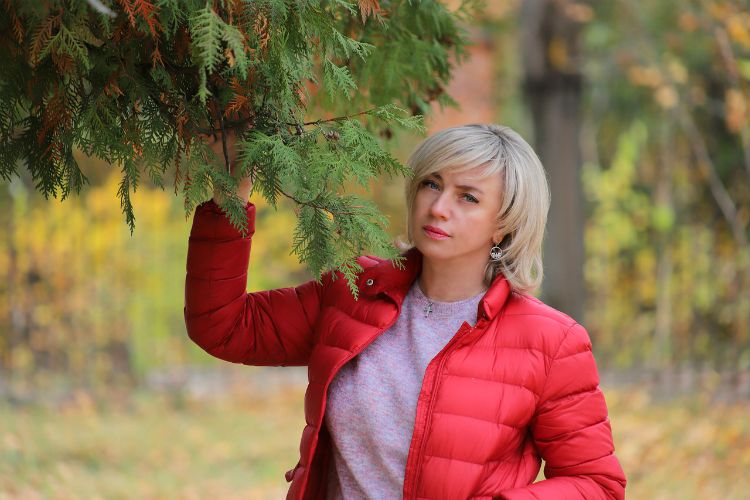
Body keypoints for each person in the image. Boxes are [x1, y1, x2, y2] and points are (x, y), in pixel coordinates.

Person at [184, 124, 626, 499]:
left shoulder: (550, 341)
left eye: (468, 198)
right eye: (432, 184)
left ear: (505, 222)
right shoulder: (354, 290)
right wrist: (230, 196)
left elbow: (595, 484)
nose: (438, 207)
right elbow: (223, 325)